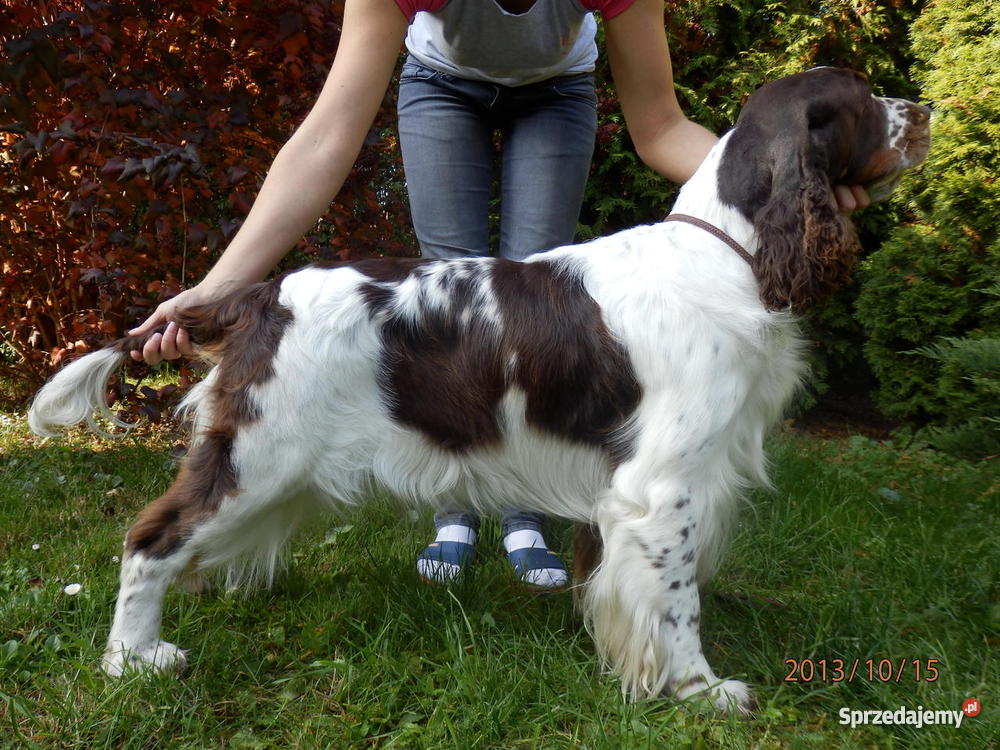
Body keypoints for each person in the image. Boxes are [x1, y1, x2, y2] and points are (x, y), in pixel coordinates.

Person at [128, 0, 871, 588]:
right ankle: (456, 509)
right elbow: (326, 139)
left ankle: (530, 511)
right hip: (439, 85)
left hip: (556, 92)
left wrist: (780, 184)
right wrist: (219, 287)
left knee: (535, 300)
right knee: (455, 288)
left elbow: (661, 125)